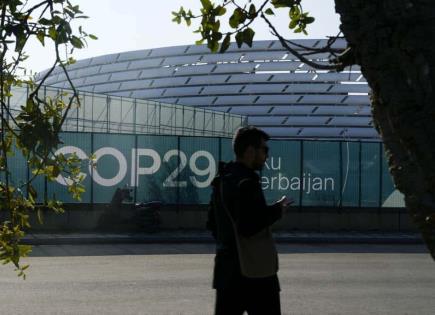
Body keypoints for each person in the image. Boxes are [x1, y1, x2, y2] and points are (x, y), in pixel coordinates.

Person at [207, 126, 293, 315]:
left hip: (225, 272)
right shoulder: (247, 181)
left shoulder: (222, 179)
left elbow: (212, 224)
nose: (267, 156)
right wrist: (278, 210)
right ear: (250, 151)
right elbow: (249, 225)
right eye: (264, 150)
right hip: (254, 271)